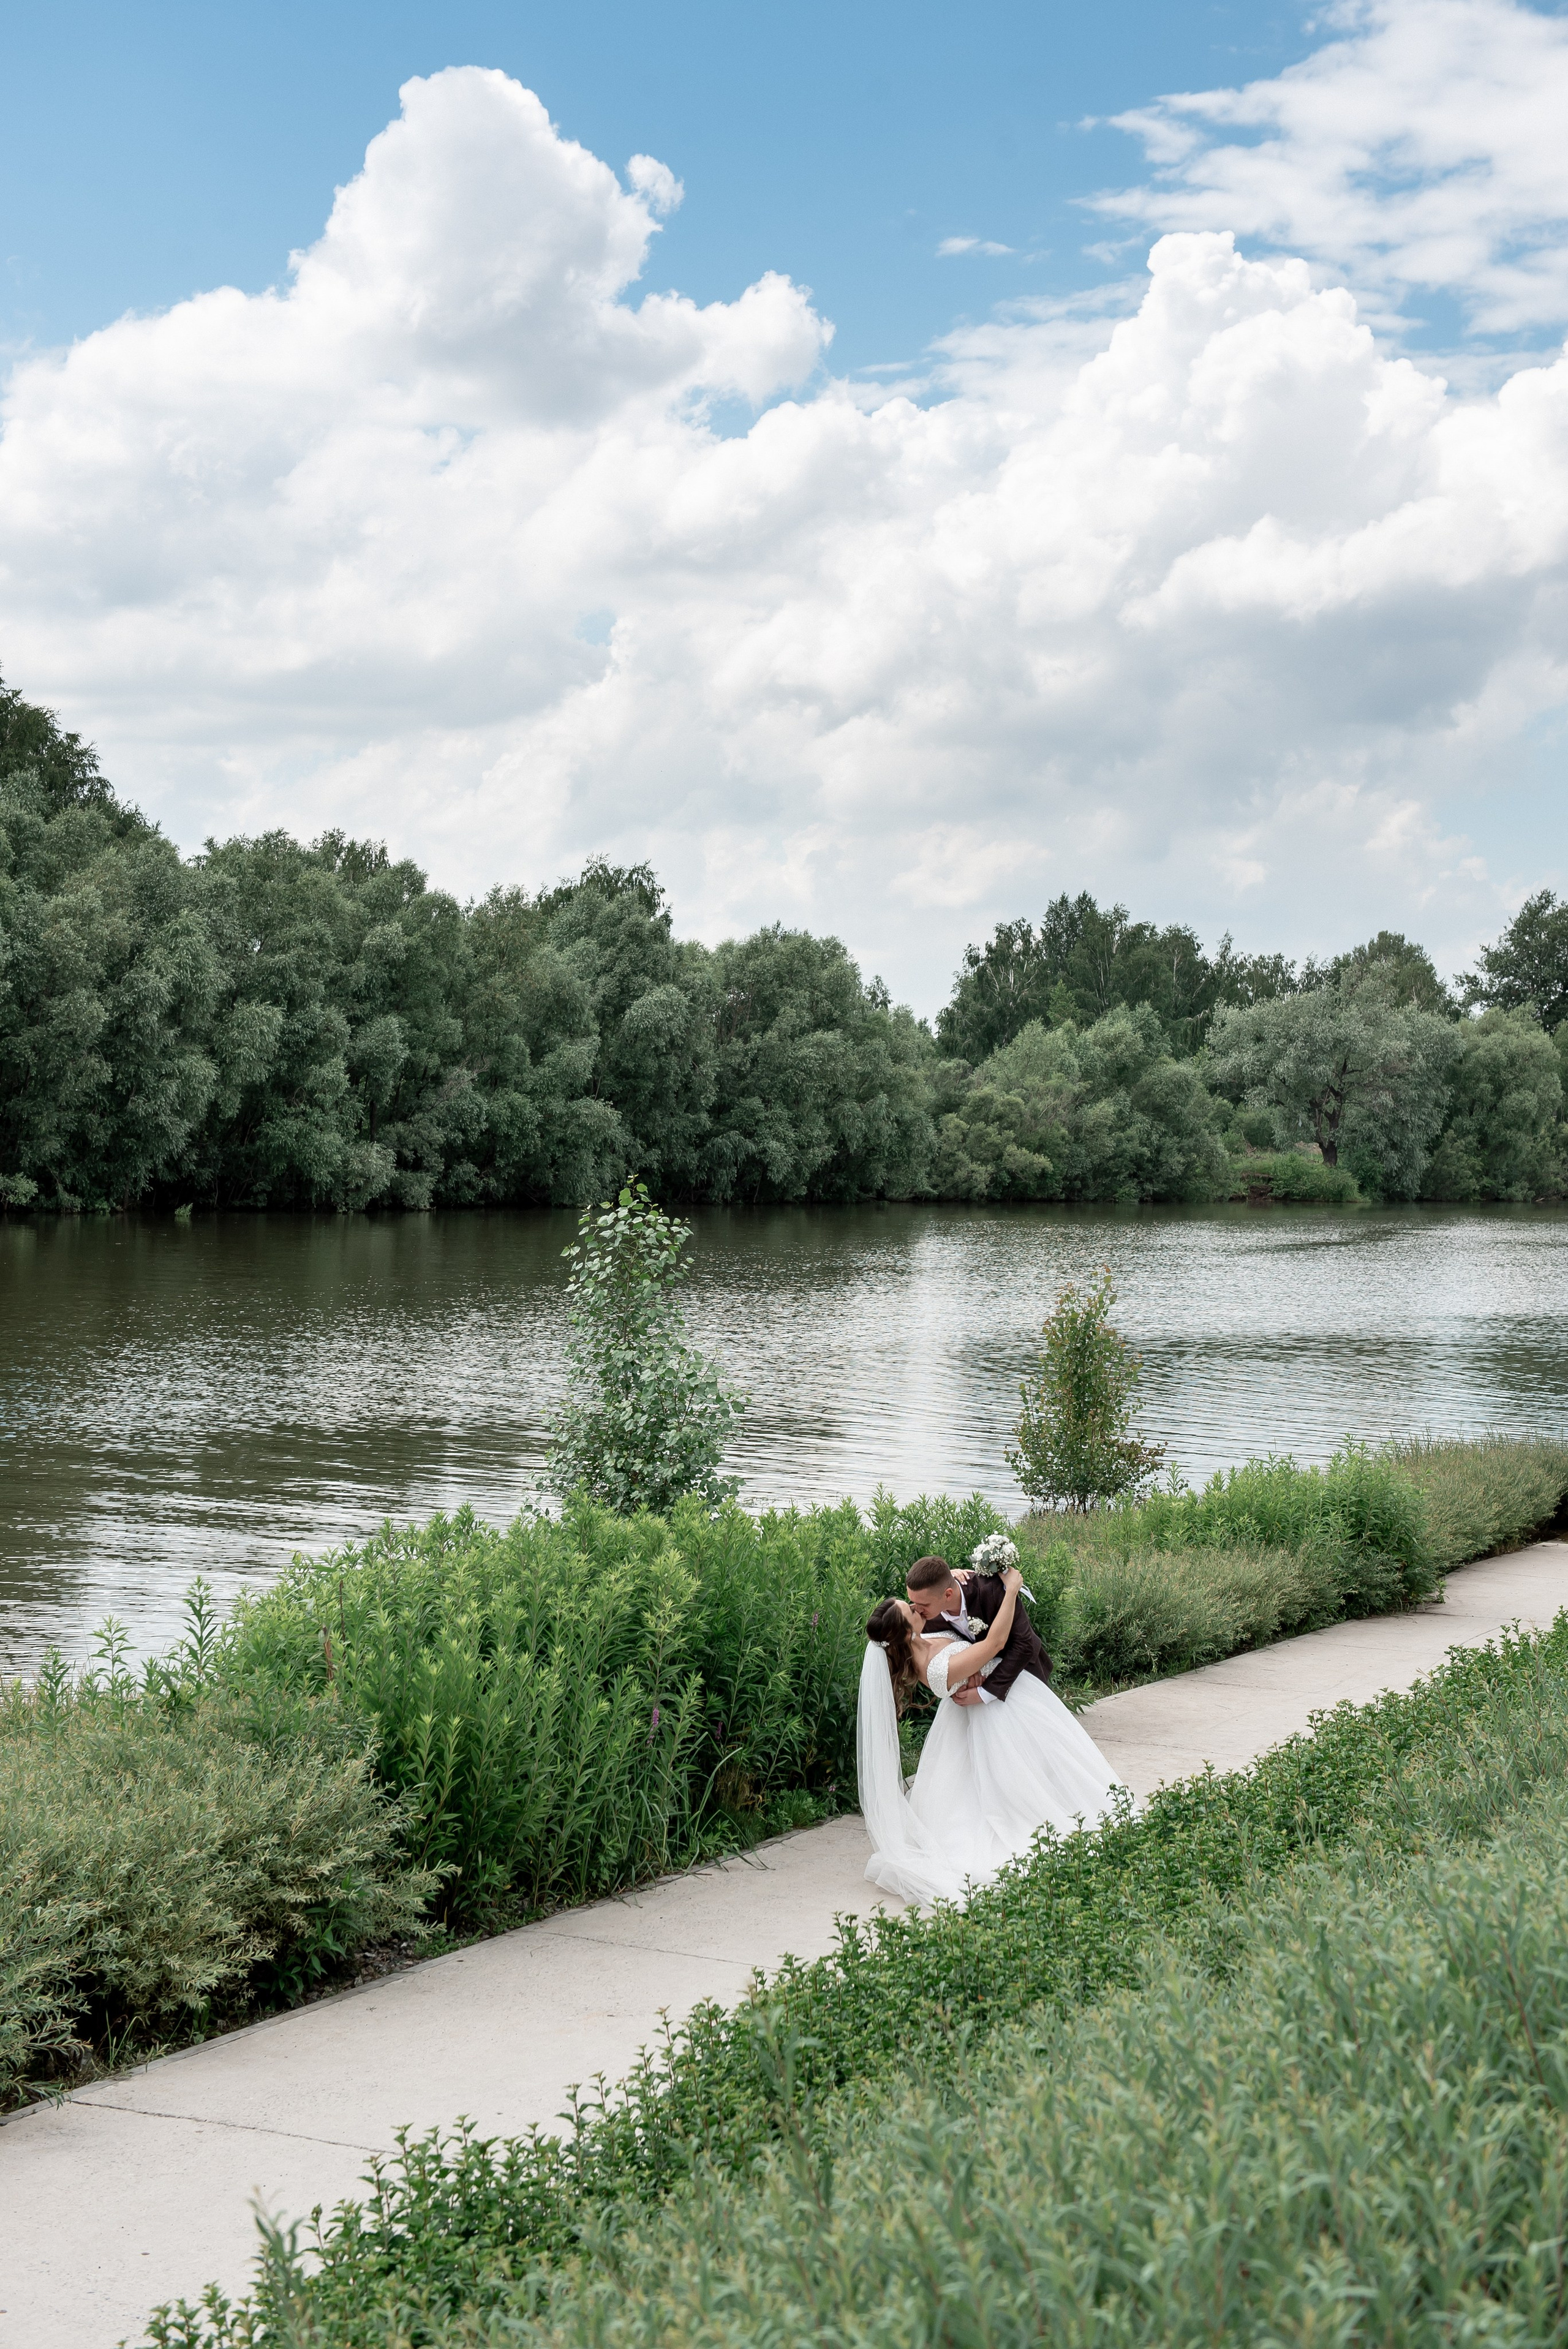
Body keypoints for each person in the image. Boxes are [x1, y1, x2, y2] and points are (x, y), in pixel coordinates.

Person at [858, 1542, 1125, 1909]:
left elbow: (949, 1608)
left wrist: (954, 1578)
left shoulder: (922, 1635)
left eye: (918, 1605)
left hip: (998, 1702)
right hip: (994, 1713)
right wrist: (1012, 1588)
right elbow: (996, 1640)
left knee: (1032, 1771)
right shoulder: (937, 1667)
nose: (919, 1610)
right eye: (912, 1610)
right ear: (906, 1631)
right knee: (1007, 1788)